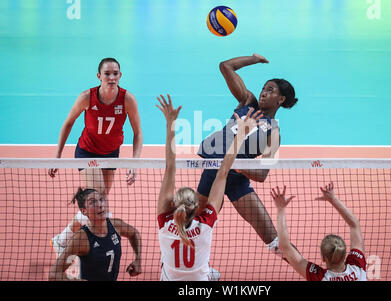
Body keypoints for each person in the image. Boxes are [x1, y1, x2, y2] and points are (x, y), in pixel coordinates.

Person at [197, 53, 298, 256]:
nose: (263, 93)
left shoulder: (273, 133)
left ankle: (310, 273)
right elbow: (225, 66)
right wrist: (254, 59)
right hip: (212, 174)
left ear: (281, 99)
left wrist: (231, 162)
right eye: (263, 88)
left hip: (236, 181)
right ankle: (198, 270)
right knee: (194, 229)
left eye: (270, 91)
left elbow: (261, 175)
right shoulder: (247, 102)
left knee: (274, 241)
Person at [156, 94, 263, 281]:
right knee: (210, 274)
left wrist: (170, 123)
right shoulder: (204, 224)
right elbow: (223, 172)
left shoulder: (165, 222)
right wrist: (241, 135)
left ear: (173, 204)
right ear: (197, 207)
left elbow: (170, 167)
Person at [48, 57, 143, 257]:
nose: (111, 77)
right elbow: (68, 123)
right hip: (87, 152)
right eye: (107, 74)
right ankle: (84, 246)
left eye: (115, 73)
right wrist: (57, 156)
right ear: (99, 76)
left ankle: (62, 239)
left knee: (99, 203)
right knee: (98, 200)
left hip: (111, 154)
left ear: (120, 76)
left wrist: (134, 164)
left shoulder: (127, 99)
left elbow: (138, 133)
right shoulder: (86, 97)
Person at [271, 182, 367, 281]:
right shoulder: (357, 267)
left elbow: (284, 246)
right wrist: (333, 199)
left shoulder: (320, 277)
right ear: (344, 255)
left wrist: (281, 208)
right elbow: (354, 225)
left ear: (323, 258)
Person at [48, 187, 142, 281]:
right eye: (93, 202)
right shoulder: (81, 239)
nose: (100, 205)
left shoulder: (116, 226)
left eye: (101, 200)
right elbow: (54, 274)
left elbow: (134, 234)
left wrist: (138, 260)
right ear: (83, 211)